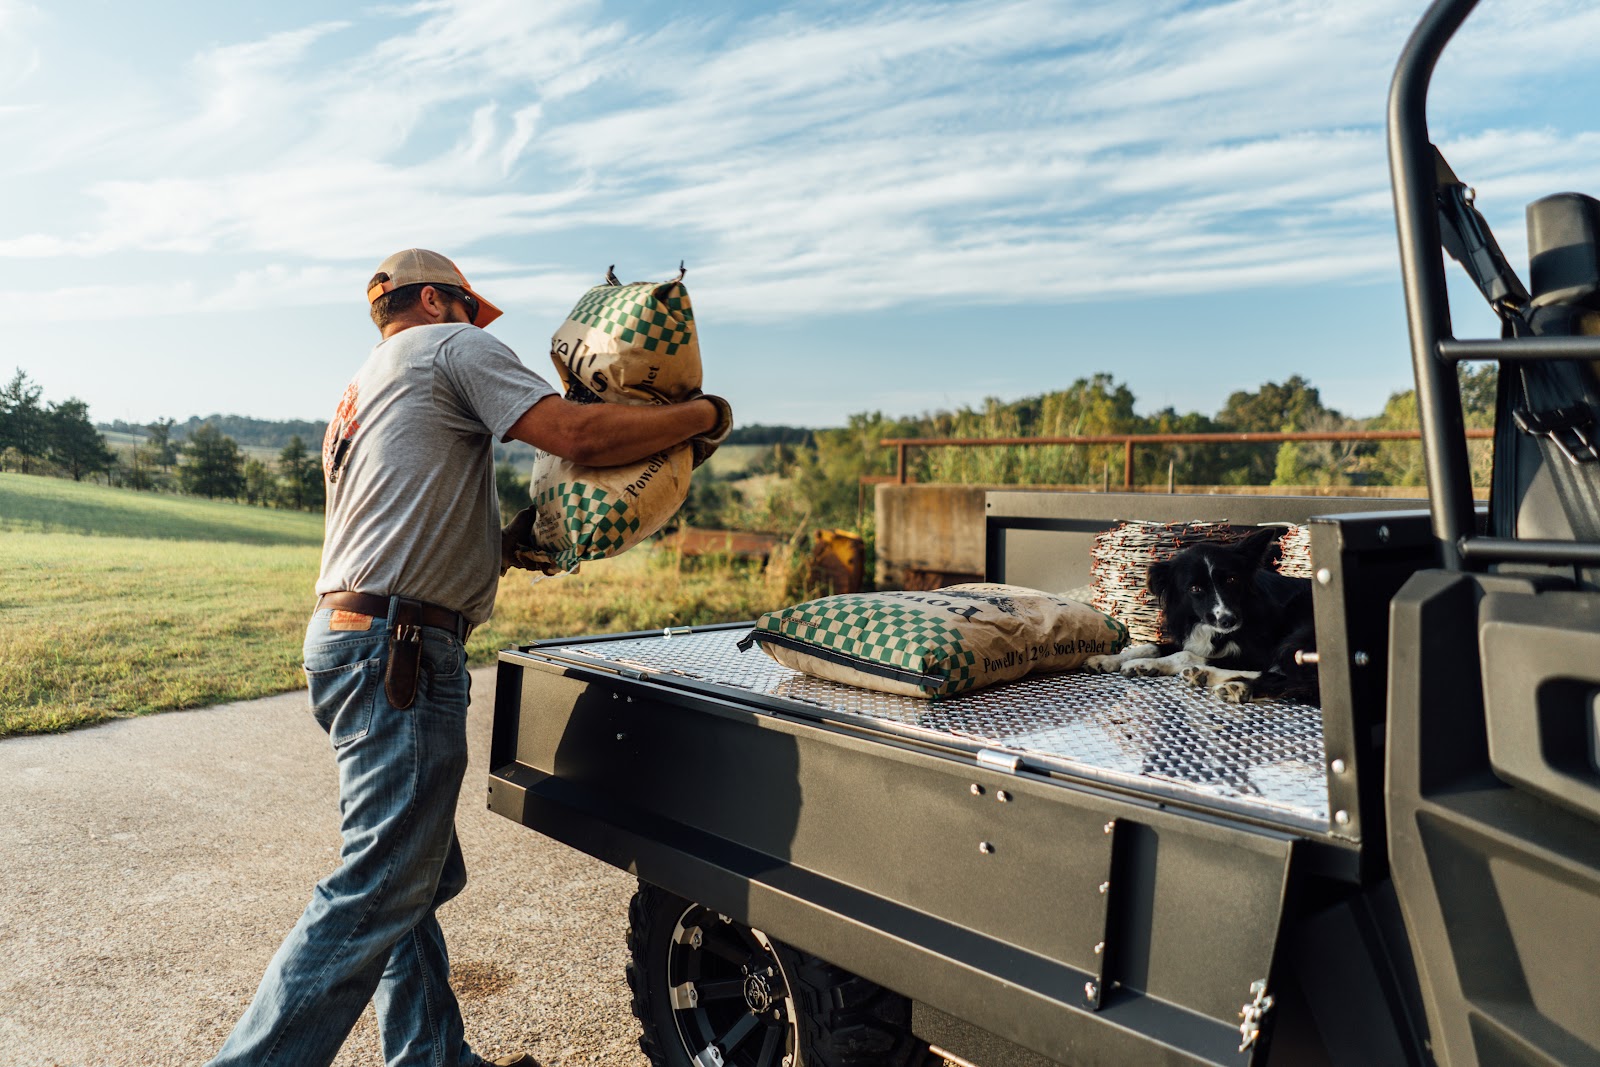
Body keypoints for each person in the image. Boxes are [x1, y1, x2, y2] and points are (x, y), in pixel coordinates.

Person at [207, 249, 730, 1067]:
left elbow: (405, 519)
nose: (479, 326)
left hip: (350, 642)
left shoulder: (360, 392)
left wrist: (505, 544)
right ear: (431, 299)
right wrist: (702, 416)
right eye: (467, 308)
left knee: (402, 880)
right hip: (399, 652)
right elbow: (578, 434)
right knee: (378, 888)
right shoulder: (450, 347)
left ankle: (432, 1059)